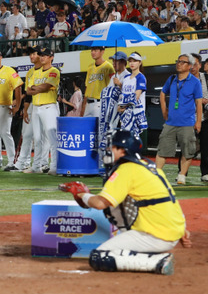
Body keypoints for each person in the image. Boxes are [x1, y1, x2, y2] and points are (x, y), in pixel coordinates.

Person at [61, 129, 190, 275]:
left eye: (113, 147)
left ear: (122, 151)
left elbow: (100, 204)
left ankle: (157, 262)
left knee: (99, 257)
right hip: (172, 230)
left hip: (156, 235)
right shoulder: (151, 167)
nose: (109, 151)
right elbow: (168, 201)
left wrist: (82, 194)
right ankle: (151, 254)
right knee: (122, 205)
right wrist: (180, 231)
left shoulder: (127, 169)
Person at [155, 54, 202, 185]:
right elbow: (162, 93)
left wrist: (198, 121)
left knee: (188, 151)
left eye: (183, 62)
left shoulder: (195, 82)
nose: (179, 64)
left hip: (187, 123)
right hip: (170, 123)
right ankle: (157, 174)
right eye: (178, 61)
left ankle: (182, 175)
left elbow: (198, 103)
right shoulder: (171, 79)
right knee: (162, 149)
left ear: (189, 66)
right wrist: (164, 111)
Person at [23, 47, 60, 175]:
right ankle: (36, 166)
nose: (42, 57)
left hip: (49, 106)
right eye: (41, 55)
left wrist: (36, 88)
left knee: (52, 138)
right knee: (37, 138)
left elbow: (46, 87)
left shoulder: (54, 71)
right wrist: (38, 88)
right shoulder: (36, 72)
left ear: (51, 57)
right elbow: (28, 90)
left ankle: (54, 166)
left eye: (45, 55)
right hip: (36, 107)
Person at [11, 45, 46, 172]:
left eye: (34, 54)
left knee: (43, 136)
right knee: (27, 134)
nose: (32, 56)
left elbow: (36, 90)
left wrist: (33, 91)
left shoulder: (46, 69)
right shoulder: (30, 72)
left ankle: (43, 163)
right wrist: (25, 110)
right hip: (32, 105)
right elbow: (28, 93)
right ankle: (21, 163)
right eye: (30, 54)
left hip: (46, 104)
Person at [0, 49, 23, 170]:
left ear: (1, 57)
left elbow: (18, 87)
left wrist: (17, 105)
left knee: (5, 133)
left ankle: (12, 160)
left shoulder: (9, 71)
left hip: (4, 106)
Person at [118, 52, 147, 134]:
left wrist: (123, 105)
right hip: (124, 113)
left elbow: (136, 96)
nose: (132, 63)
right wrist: (120, 106)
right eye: (130, 61)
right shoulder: (126, 77)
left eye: (134, 61)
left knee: (133, 139)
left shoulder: (141, 77)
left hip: (135, 112)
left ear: (140, 63)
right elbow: (122, 95)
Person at [81, 46, 115, 118]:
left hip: (99, 103)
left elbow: (112, 87)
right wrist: (83, 106)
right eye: (92, 50)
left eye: (95, 50)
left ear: (102, 51)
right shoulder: (90, 67)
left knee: (98, 128)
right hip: (88, 103)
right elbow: (87, 86)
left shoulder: (109, 67)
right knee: (86, 128)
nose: (93, 52)